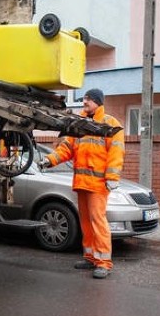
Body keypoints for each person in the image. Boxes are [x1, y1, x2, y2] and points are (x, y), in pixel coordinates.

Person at [38, 88, 125, 279]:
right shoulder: (78, 125)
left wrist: (112, 179)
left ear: (98, 102)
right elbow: (66, 149)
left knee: (98, 221)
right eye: (84, 99)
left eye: (88, 99)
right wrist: (49, 160)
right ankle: (90, 257)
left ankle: (104, 263)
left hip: (99, 185)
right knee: (86, 222)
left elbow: (116, 154)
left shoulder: (110, 124)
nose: (85, 102)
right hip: (82, 183)